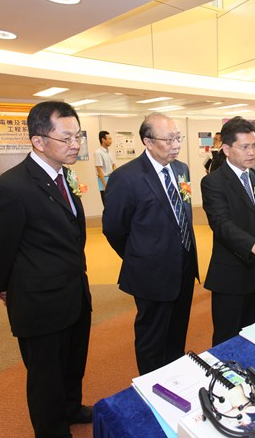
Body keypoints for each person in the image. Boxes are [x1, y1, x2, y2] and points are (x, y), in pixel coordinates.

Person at [0, 101, 93, 437]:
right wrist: (3, 288)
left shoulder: (64, 176)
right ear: (38, 141)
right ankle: (51, 430)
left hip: (74, 292)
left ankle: (71, 408)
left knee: (72, 363)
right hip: (40, 302)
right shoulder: (10, 188)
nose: (75, 144)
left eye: (78, 136)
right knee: (46, 377)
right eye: (66, 138)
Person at [102, 112, 199, 376]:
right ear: (147, 141)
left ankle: (175, 378)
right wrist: (139, 256)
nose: (176, 145)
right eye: (168, 140)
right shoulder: (127, 177)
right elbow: (114, 228)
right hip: (151, 272)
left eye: (178, 138)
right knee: (152, 338)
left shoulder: (181, 169)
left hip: (184, 266)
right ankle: (152, 386)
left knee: (177, 331)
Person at [201, 117, 255, 346]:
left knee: (254, 333)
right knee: (227, 339)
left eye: (254, 146)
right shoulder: (213, 182)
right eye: (244, 147)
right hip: (231, 274)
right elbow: (222, 225)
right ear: (227, 149)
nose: (252, 152)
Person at [95, 130, 116, 205]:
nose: (111, 141)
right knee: (107, 204)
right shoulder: (98, 152)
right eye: (109, 139)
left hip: (111, 178)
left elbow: (114, 165)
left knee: (114, 203)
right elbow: (99, 169)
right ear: (103, 140)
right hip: (104, 180)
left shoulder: (109, 151)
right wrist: (105, 185)